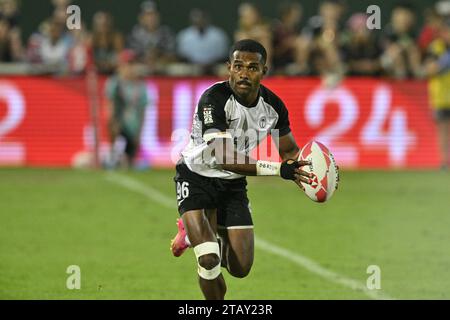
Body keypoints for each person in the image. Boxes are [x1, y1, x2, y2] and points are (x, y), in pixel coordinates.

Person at [170, 39, 312, 300]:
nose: (244, 73)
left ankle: (195, 233)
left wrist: (305, 172)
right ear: (229, 68)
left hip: (233, 184)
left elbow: (289, 150)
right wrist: (280, 170)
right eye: (238, 66)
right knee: (210, 259)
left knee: (240, 267)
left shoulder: (273, 107)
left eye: (252, 67)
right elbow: (225, 158)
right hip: (197, 175)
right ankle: (197, 235)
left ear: (263, 71)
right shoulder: (213, 99)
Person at [104, 49, 148, 169]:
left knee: (131, 162)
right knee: (118, 154)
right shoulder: (115, 83)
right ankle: (113, 155)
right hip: (119, 125)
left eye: (132, 64)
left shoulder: (141, 86)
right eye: (127, 64)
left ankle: (128, 158)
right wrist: (113, 123)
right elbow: (110, 106)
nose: (130, 68)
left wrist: (139, 133)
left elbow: (143, 111)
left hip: (133, 128)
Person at [423, 19, 450, 170]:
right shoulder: (436, 47)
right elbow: (428, 69)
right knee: (443, 130)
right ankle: (444, 162)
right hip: (440, 96)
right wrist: (441, 65)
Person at [176, 8, 229, 72]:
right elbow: (182, 56)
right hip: (191, 66)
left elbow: (223, 55)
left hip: (214, 66)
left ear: (207, 19)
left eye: (202, 18)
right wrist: (196, 64)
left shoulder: (218, 35)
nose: (199, 20)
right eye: (197, 18)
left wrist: (209, 64)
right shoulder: (184, 35)